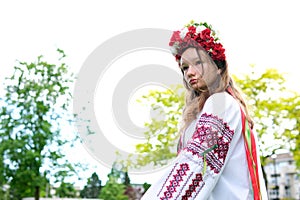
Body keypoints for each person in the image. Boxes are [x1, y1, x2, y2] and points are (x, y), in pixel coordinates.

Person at [141, 21, 268, 199]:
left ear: (218, 67)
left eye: (198, 63)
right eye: (184, 67)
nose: (190, 72)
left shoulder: (222, 103)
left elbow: (197, 167)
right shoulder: (208, 110)